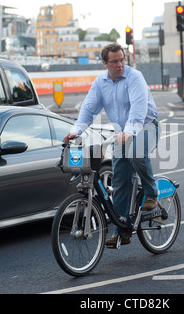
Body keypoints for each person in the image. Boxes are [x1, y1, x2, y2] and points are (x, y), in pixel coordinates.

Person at [63, 43, 159, 248]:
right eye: (114, 61)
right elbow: (88, 109)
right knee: (119, 182)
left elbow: (138, 109)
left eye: (122, 60)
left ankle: (152, 194)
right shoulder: (100, 82)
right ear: (105, 63)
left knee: (136, 154)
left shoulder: (135, 77)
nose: (120, 65)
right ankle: (121, 229)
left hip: (145, 125)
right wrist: (76, 130)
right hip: (121, 133)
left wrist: (129, 131)